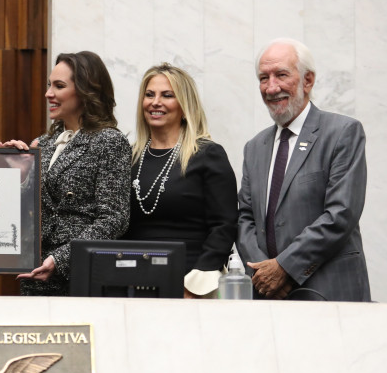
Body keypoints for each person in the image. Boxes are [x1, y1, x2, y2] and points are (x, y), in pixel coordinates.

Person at [238, 38, 370, 301]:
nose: (271, 87)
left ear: (307, 80)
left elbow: (341, 214)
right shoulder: (255, 147)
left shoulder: (343, 133)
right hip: (269, 295)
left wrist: (285, 268)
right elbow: (245, 219)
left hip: (330, 291)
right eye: (264, 78)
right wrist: (264, 273)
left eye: (281, 75)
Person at [2, 51, 130, 296]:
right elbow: (27, 213)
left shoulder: (109, 142)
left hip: (79, 276)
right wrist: (19, 177)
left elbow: (114, 219)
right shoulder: (43, 143)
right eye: (49, 85)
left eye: (59, 86)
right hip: (36, 275)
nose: (49, 93)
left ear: (85, 91)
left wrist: (60, 259)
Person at [123, 63, 238, 298]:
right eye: (149, 95)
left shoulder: (207, 154)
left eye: (167, 95)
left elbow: (224, 227)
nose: (156, 102)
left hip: (191, 285)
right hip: (133, 283)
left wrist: (195, 286)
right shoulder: (129, 157)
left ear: (185, 106)